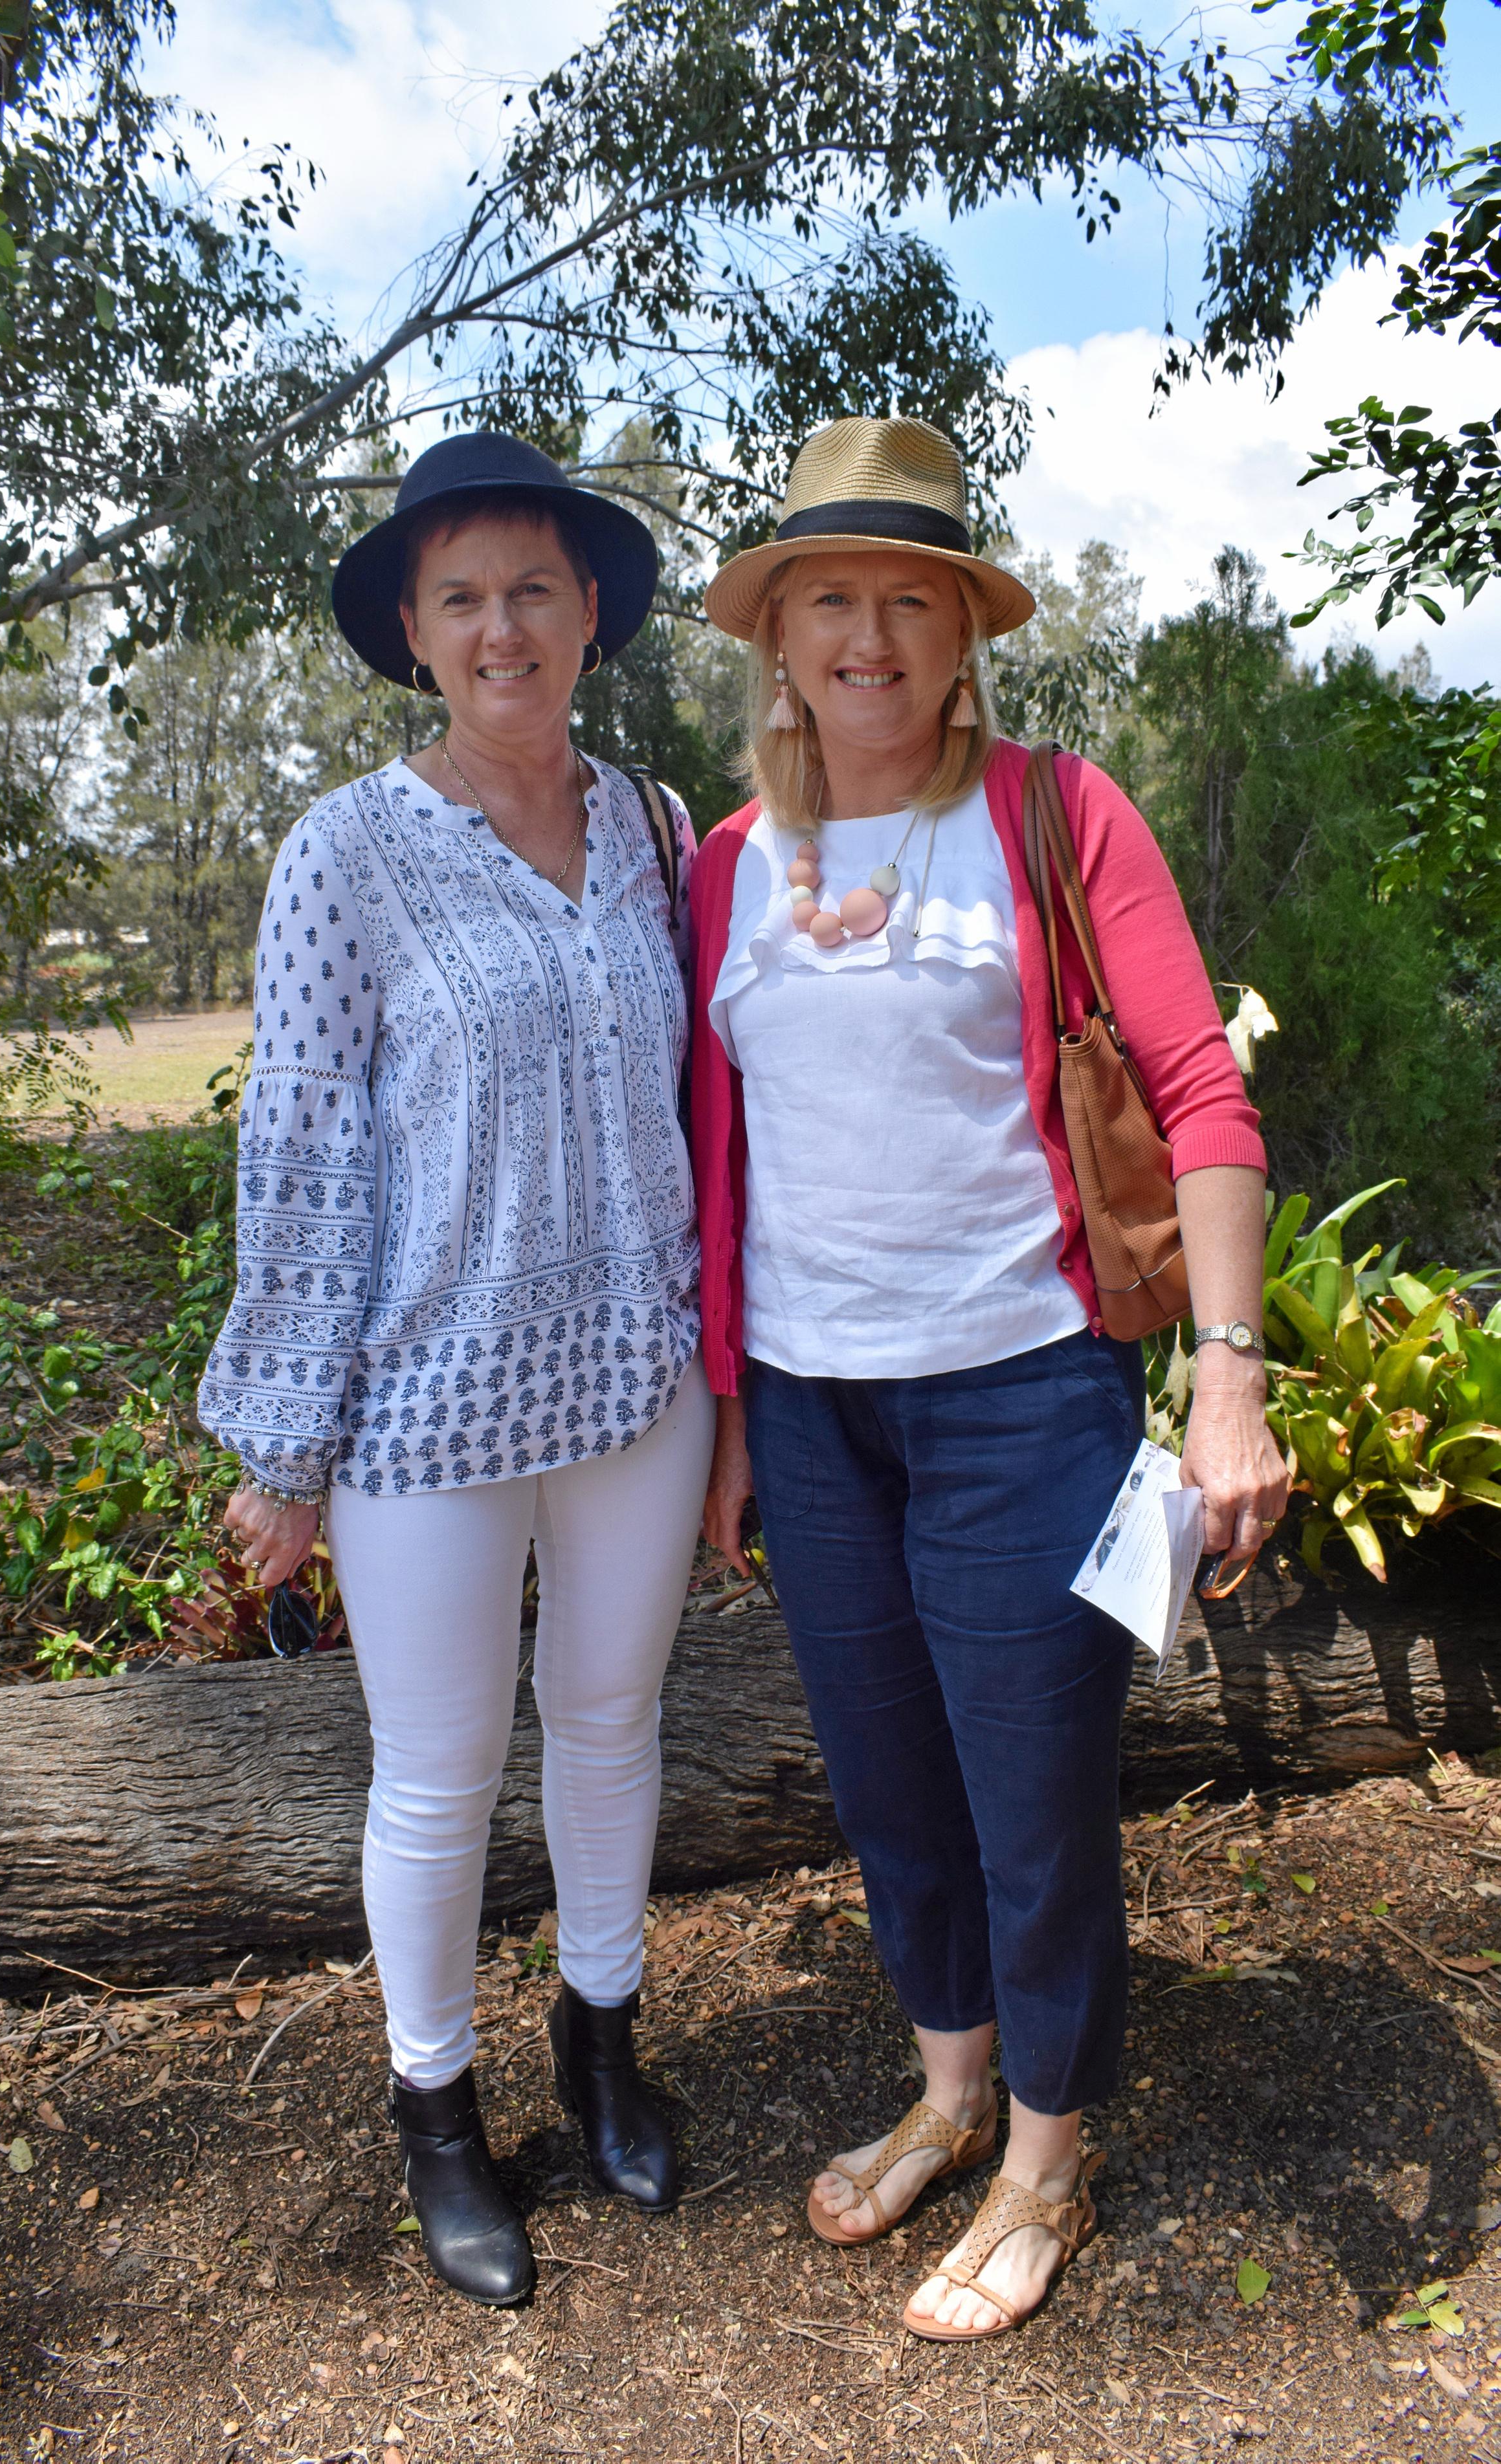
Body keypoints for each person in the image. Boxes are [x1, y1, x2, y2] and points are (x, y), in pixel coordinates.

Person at [691, 415, 1288, 2341]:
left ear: (961, 635)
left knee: (1031, 1802)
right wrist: (724, 1418)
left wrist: (1224, 1382)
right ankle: (951, 2094)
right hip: (810, 1407)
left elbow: (1197, 1092)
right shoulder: (720, 866)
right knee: (887, 1790)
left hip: (1017, 1396)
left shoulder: (1052, 811)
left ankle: (1050, 2148)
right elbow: (715, 1159)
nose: (867, 634)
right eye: (828, 599)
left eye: (908, 600)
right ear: (775, 635)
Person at [197, 432, 715, 2309]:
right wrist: (284, 1437)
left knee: (607, 1720)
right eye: (462, 596)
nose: (503, 627)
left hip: (638, 1385)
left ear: (588, 615)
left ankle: (602, 2046)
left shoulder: (656, 829)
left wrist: (722, 1365)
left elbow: (693, 1106)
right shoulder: (347, 853)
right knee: (434, 1775)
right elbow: (307, 1153)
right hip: (427, 1405)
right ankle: (437, 2115)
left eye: (534, 589)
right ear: (416, 633)